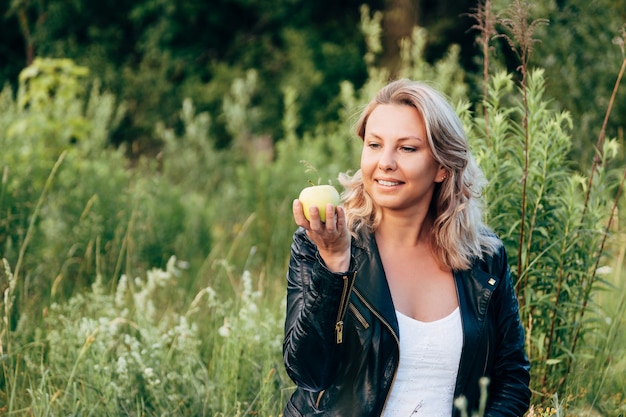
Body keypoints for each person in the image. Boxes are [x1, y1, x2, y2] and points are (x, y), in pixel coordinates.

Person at [282, 78, 531, 417]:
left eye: (407, 148)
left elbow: (512, 380)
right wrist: (334, 264)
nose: (385, 162)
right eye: (374, 145)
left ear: (442, 166)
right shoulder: (321, 243)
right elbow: (309, 372)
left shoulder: (484, 258)